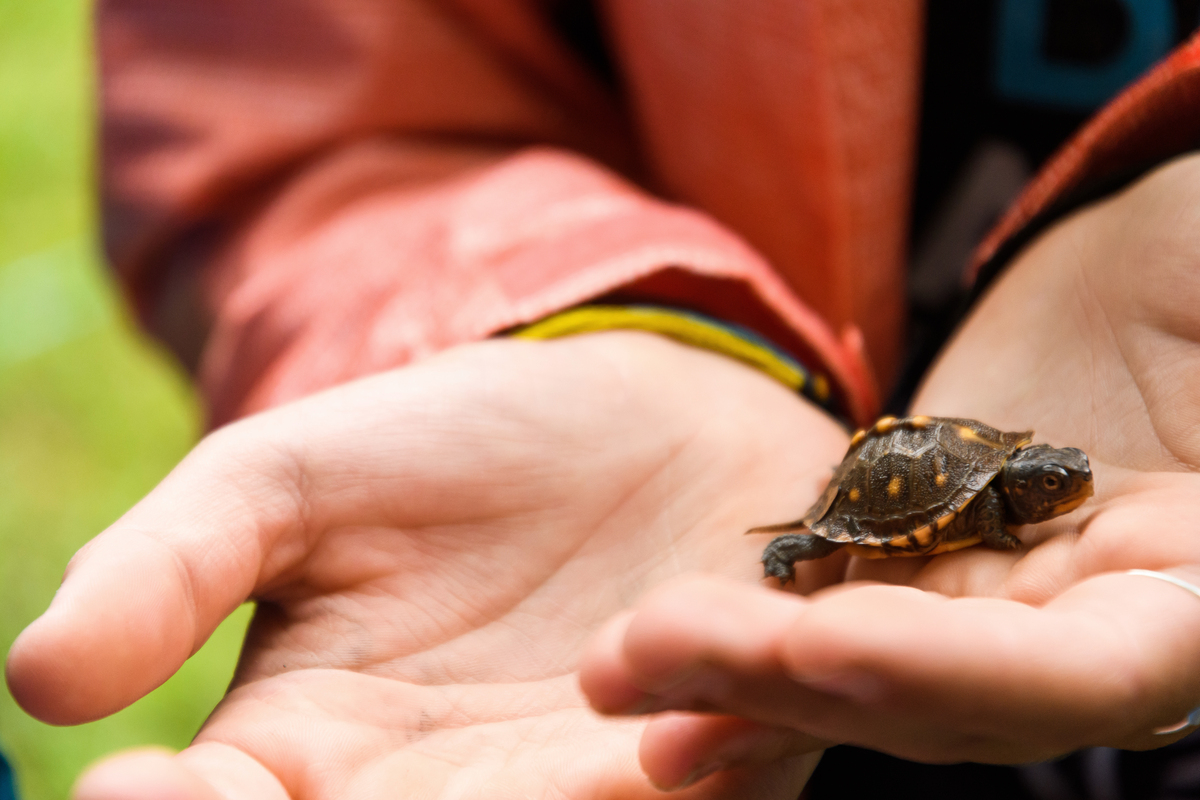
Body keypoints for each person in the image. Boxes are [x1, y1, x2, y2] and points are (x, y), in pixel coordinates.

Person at [7, 2, 1200, 798]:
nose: (1055, 489)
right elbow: (305, 111)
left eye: (1046, 485)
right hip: (744, 728)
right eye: (1046, 486)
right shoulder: (987, 494)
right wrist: (591, 315)